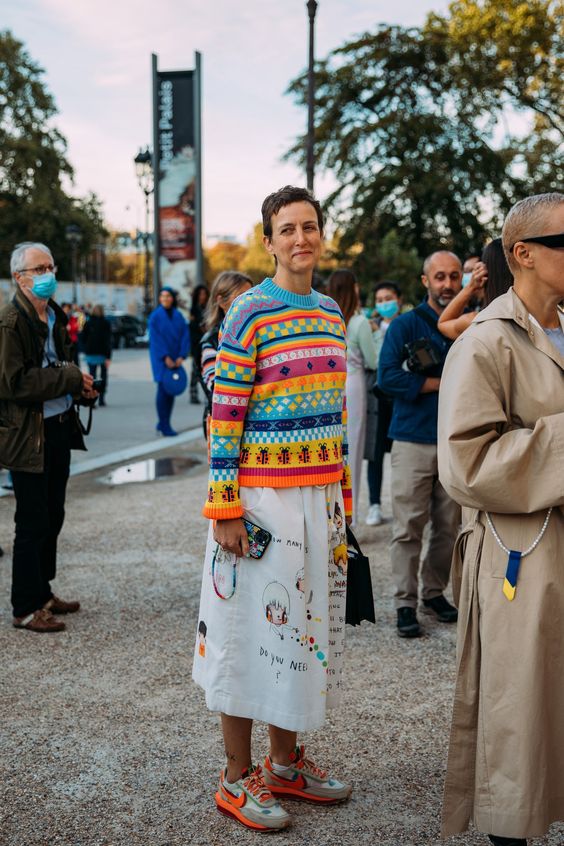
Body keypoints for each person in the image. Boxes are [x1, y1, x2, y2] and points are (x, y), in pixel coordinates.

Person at [192, 185, 353, 833]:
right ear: (268, 240)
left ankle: (285, 765)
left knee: (302, 636)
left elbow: (337, 422)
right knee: (244, 637)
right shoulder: (248, 313)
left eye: (309, 226)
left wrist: (341, 510)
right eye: (286, 229)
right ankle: (235, 778)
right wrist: (224, 505)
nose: (300, 239)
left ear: (321, 234)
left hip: (315, 500)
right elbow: (225, 415)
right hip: (258, 503)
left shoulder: (331, 314)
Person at [438, 193, 564, 846]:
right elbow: (464, 461)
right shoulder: (486, 341)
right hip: (525, 554)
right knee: (520, 712)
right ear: (523, 254)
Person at [0, 242, 97, 633]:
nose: (48, 275)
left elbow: (58, 366)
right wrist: (69, 378)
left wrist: (79, 387)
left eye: (50, 266)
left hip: (58, 427)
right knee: (32, 520)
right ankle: (25, 606)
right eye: (38, 269)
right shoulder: (11, 321)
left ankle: (42, 591)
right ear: (18, 278)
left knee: (53, 515)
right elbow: (13, 383)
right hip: (28, 436)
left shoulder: (53, 314)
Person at [378, 251, 462, 637]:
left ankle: (433, 592)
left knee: (448, 527)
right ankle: (404, 603)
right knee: (408, 526)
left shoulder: (469, 324)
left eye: (454, 276)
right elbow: (388, 378)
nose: (447, 284)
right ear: (425, 281)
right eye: (439, 276)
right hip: (412, 438)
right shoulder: (405, 325)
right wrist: (440, 384)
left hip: (455, 439)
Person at [328, 269, 377, 524]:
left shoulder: (326, 319)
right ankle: (350, 516)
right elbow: (373, 361)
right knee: (353, 452)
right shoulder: (359, 323)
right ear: (353, 288)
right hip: (354, 384)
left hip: (330, 387)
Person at [365, 281, 402, 526]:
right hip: (377, 398)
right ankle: (374, 505)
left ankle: (402, 505)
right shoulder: (370, 327)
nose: (384, 303)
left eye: (388, 297)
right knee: (375, 454)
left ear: (398, 299)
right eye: (379, 300)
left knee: (401, 454)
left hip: (401, 397)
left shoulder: (405, 325)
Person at [198, 271, 252, 427]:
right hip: (224, 426)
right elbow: (219, 390)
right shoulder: (210, 342)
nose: (249, 303)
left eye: (251, 296)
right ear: (221, 302)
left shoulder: (256, 333)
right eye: (241, 297)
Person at [438, 238, 514, 340]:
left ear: (485, 273)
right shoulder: (536, 314)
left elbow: (443, 323)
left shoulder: (479, 320)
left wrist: (470, 287)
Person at [148, 287, 190, 437]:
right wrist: (165, 357)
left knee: (171, 390)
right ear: (159, 299)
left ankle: (163, 422)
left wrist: (181, 356)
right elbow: (155, 340)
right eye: (162, 296)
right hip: (161, 359)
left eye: (168, 296)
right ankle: (164, 424)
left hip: (175, 358)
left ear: (172, 298)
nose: (165, 298)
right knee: (163, 389)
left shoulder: (179, 316)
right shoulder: (155, 317)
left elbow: (185, 336)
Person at [80, 304, 112, 406]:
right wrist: (108, 356)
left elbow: (82, 337)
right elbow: (108, 341)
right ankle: (102, 399)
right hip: (102, 353)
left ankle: (92, 399)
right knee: (103, 377)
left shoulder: (88, 323)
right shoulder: (106, 323)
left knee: (91, 377)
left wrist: (86, 348)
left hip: (91, 353)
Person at [189, 284, 209, 404]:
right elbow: (192, 329)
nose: (202, 296)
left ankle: (208, 393)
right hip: (197, 344)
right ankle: (193, 394)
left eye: (204, 294)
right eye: (200, 294)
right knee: (195, 370)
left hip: (208, 344)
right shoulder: (194, 310)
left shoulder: (209, 309)